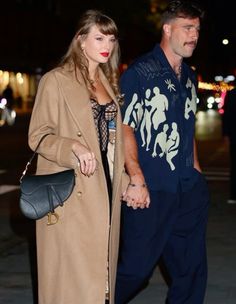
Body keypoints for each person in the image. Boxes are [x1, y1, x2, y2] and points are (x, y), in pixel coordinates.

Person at [28, 10, 129, 304]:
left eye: (110, 38)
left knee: (101, 278)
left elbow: (111, 140)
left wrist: (125, 178)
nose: (106, 45)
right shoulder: (55, 80)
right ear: (81, 40)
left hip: (104, 190)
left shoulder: (108, 81)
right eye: (99, 37)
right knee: (74, 284)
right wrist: (73, 146)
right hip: (71, 197)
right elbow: (38, 136)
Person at [115, 1, 210, 303]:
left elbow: (188, 125)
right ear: (167, 29)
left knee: (191, 270)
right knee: (135, 270)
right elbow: (125, 127)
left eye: (197, 28)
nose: (194, 35)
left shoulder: (190, 77)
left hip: (187, 188)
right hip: (152, 189)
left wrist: (196, 171)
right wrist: (136, 177)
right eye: (187, 28)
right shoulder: (140, 73)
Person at [222, 87, 236, 204]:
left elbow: (226, 115)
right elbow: (227, 115)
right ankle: (233, 194)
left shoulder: (231, 94)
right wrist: (226, 134)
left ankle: (233, 195)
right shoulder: (231, 94)